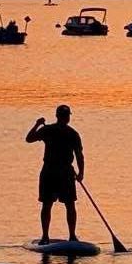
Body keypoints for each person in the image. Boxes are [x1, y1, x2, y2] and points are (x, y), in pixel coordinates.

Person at [25, 104, 85, 243]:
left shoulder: (55, 131)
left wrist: (37, 125)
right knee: (54, 204)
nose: (66, 118)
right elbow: (79, 156)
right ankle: (53, 236)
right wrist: (81, 172)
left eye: (66, 116)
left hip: (59, 171)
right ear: (63, 117)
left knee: (62, 204)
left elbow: (79, 155)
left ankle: (64, 236)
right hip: (55, 171)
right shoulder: (64, 132)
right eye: (66, 116)